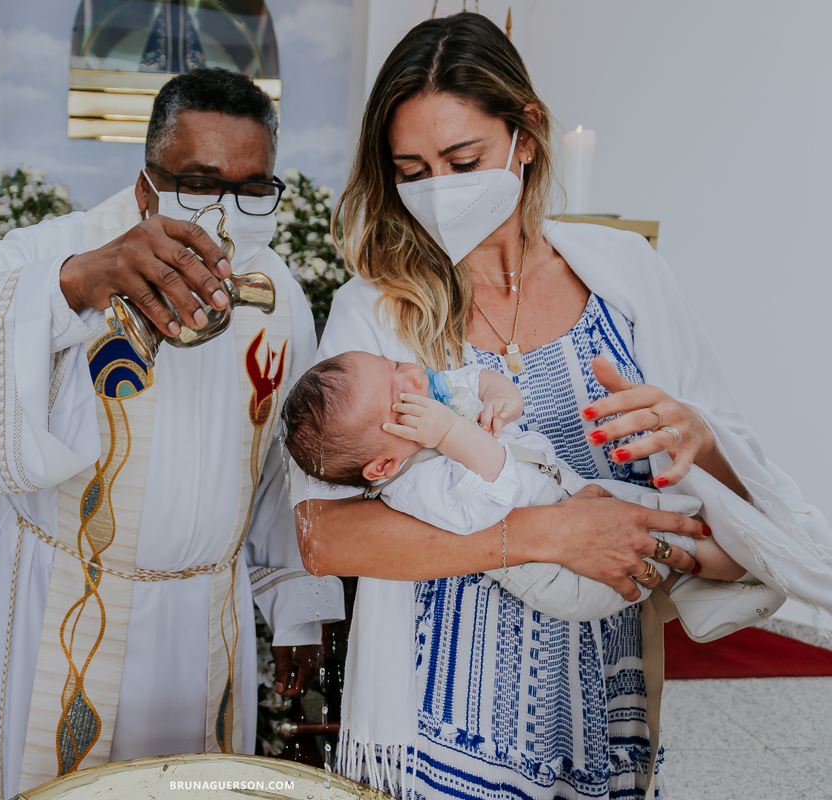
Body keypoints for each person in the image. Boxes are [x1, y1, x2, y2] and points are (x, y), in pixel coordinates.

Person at [290, 13, 832, 799]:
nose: (438, 191)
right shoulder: (375, 308)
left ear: (527, 135)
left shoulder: (628, 273)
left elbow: (740, 489)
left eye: (463, 159)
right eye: (411, 169)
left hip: (605, 708)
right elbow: (323, 535)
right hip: (443, 720)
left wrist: (701, 438)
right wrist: (542, 533)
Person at [0, 67, 343, 798]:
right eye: (199, 180)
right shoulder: (55, 253)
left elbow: (286, 462)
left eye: (254, 189)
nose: (227, 209)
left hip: (202, 624)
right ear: (146, 177)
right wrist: (69, 287)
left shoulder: (277, 294)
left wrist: (296, 605)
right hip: (61, 607)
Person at [282, 353, 782, 635]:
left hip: (565, 494)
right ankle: (745, 572)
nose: (413, 375)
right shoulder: (416, 486)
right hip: (560, 577)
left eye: (394, 365)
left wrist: (501, 396)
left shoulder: (430, 406)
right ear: (384, 465)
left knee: (661, 515)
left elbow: (476, 378)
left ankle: (715, 582)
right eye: (399, 394)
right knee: (666, 538)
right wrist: (450, 433)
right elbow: (494, 494)